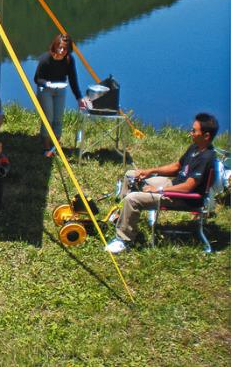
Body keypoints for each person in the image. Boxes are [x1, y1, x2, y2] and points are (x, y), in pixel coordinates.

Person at [106, 113, 219, 254]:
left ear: (206, 136)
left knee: (133, 199)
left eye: (194, 131)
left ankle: (124, 241)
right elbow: (177, 166)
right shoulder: (195, 147)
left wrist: (158, 190)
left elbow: (188, 187)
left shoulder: (207, 157)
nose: (191, 133)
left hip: (181, 197)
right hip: (172, 185)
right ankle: (121, 216)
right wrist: (150, 171)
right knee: (131, 176)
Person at [33, 34, 86, 157]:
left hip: (61, 89)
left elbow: (73, 79)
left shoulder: (69, 60)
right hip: (45, 89)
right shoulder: (45, 59)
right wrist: (47, 83)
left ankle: (54, 147)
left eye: (65, 49)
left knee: (58, 119)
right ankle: (46, 148)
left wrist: (79, 97)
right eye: (60, 47)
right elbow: (37, 79)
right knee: (48, 118)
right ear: (55, 46)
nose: (62, 51)